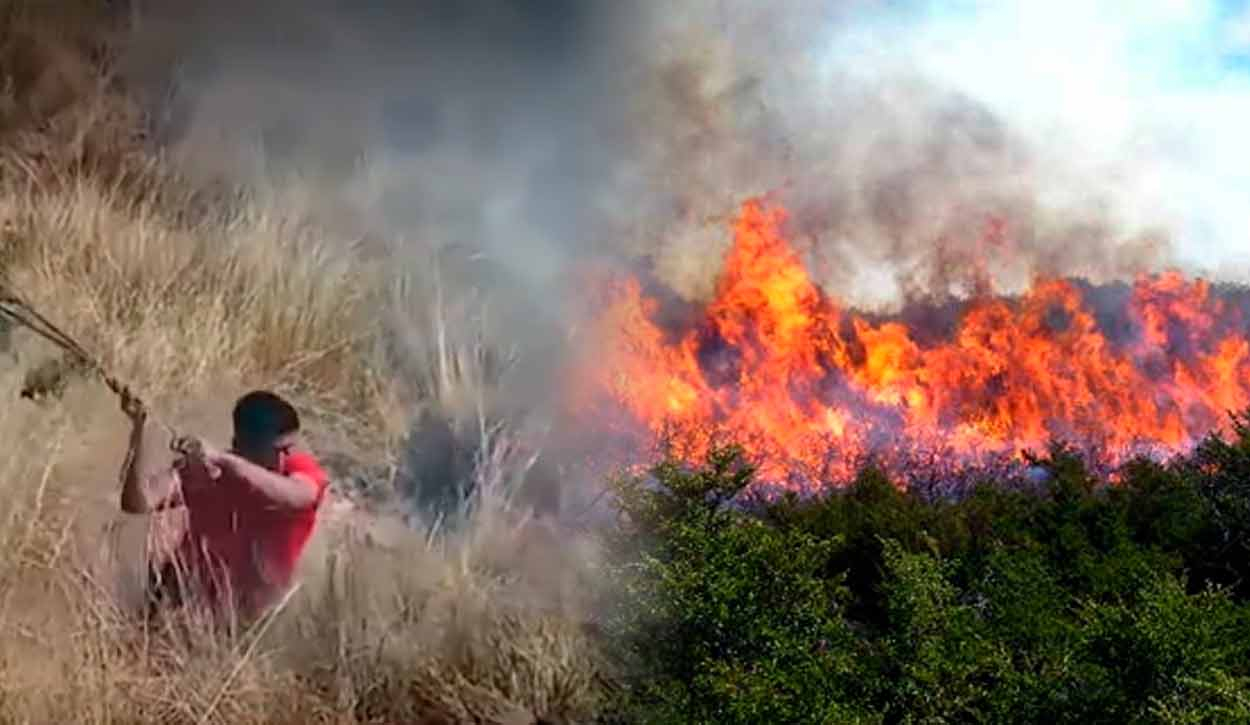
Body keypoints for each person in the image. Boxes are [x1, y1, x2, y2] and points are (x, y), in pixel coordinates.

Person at [118, 389, 330, 624]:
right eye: (277, 450)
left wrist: (224, 459)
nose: (286, 457)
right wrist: (139, 433)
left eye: (290, 448)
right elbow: (136, 502)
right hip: (179, 600)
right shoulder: (206, 474)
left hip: (254, 618)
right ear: (240, 445)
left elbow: (298, 497)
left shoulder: (298, 471)